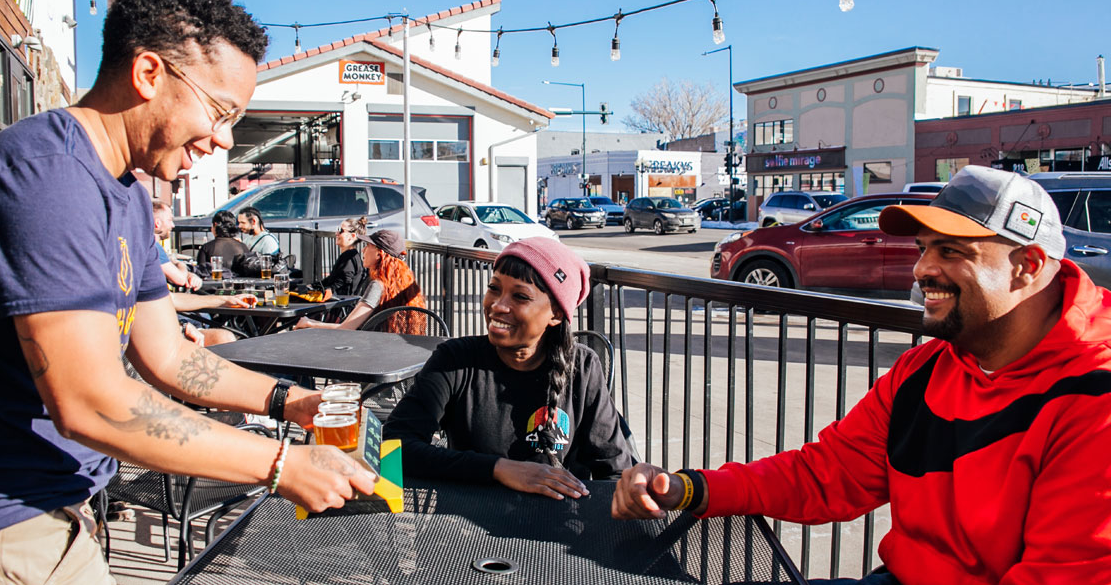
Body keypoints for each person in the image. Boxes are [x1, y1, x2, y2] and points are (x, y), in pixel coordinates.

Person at [0, 0, 374, 583]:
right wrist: (282, 462)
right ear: (150, 73)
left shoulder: (125, 190)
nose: (225, 139)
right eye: (221, 111)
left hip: (52, 508)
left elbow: (169, 357)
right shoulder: (46, 177)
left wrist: (292, 402)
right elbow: (90, 402)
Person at [611, 166, 1111, 585]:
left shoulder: (1095, 397)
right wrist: (688, 488)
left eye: (951, 252)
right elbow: (829, 474)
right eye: (923, 248)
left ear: (1028, 265)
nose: (922, 269)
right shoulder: (927, 368)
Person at [385, 237, 635, 499]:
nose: (498, 306)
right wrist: (498, 469)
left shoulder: (583, 367)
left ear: (557, 314)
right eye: (494, 288)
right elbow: (395, 446)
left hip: (556, 527)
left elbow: (615, 470)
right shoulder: (455, 359)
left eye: (520, 296)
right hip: (463, 530)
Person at [294, 229, 427, 333]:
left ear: (379, 253)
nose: (362, 249)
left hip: (370, 355)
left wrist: (309, 324)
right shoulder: (406, 285)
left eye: (368, 245)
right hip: (395, 354)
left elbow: (346, 329)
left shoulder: (378, 286)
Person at [313, 216, 368, 297]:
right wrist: (314, 286)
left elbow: (343, 283)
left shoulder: (349, 257)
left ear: (352, 236)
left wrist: (327, 290)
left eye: (341, 231)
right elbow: (333, 279)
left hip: (340, 305)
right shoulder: (349, 255)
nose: (337, 233)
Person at [153, 200, 202, 291]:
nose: (173, 225)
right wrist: (180, 264)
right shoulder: (153, 247)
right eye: (170, 220)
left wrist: (189, 274)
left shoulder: (144, 244)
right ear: (157, 223)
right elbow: (180, 280)